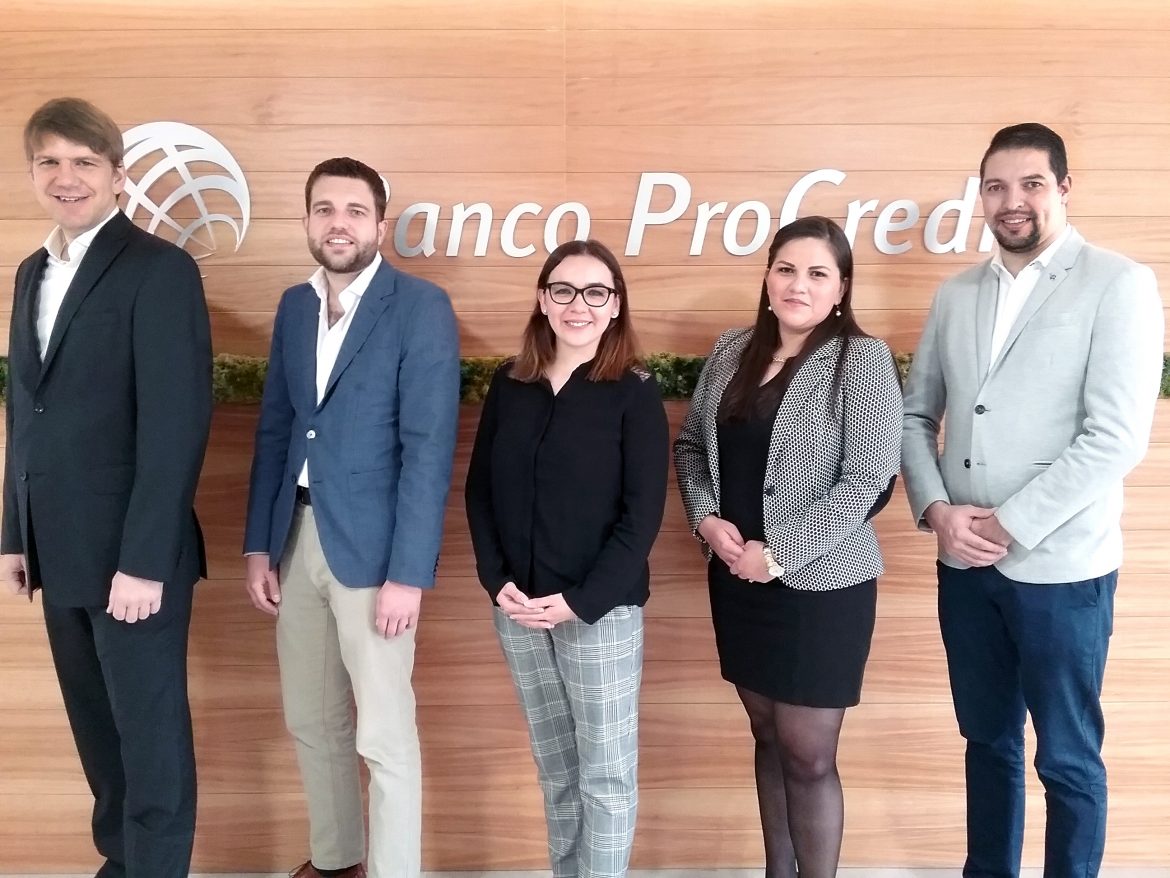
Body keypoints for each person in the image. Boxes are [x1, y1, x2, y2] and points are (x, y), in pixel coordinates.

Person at [901, 123, 1164, 877]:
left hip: (1062, 569)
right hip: (963, 565)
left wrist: (1010, 525)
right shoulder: (955, 294)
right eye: (996, 187)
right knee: (986, 742)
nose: (1011, 201)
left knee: (1068, 757)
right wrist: (936, 510)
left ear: (1064, 189)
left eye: (1031, 184)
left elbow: (1115, 438)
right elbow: (915, 416)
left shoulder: (1118, 283)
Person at [0, 97, 213, 878]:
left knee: (150, 742)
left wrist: (145, 562)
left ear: (118, 177)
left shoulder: (159, 270)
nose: (67, 177)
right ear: (32, 173)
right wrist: (14, 534)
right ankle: (122, 865)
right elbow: (27, 410)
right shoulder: (31, 272)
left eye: (84, 162)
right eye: (50, 162)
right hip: (57, 549)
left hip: (133, 559)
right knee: (99, 738)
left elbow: (175, 425)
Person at [243, 157, 460, 878]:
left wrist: (409, 574)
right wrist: (258, 545)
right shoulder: (294, 306)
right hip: (295, 537)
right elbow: (277, 429)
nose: (339, 223)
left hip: (375, 554)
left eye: (355, 211)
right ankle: (338, 862)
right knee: (312, 719)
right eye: (325, 209)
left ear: (379, 226)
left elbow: (428, 449)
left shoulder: (419, 306)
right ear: (307, 220)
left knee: (384, 735)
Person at [673, 216, 903, 878]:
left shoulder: (861, 359)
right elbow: (690, 448)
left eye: (817, 273)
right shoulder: (731, 350)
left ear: (841, 288)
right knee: (767, 735)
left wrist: (776, 554)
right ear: (768, 277)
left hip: (823, 588)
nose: (798, 285)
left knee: (809, 754)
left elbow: (868, 482)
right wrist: (706, 519)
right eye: (786, 269)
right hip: (737, 584)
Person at [464, 238, 669, 878]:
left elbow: (642, 518)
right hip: (519, 610)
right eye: (564, 290)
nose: (579, 305)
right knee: (556, 769)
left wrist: (581, 602)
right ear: (542, 300)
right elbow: (479, 491)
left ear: (615, 306)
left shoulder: (634, 392)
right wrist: (496, 580)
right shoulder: (511, 383)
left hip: (598, 612)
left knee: (605, 774)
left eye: (595, 292)